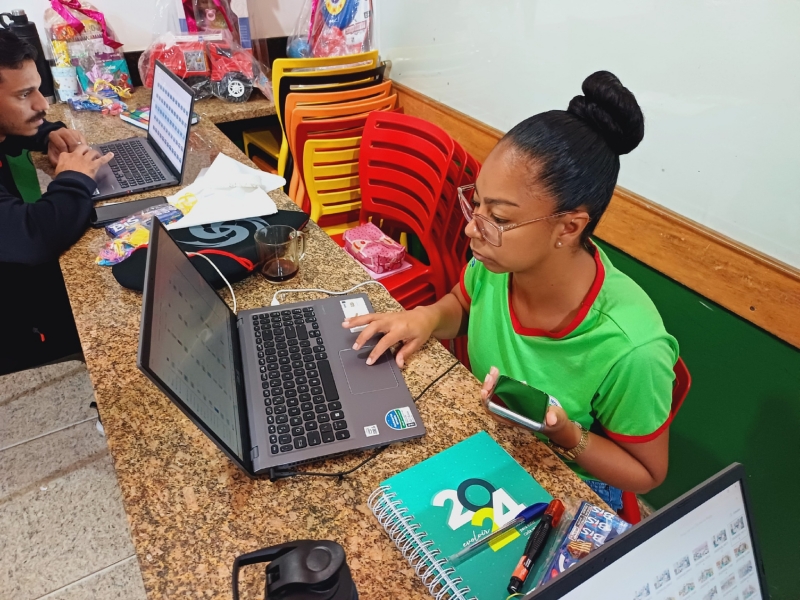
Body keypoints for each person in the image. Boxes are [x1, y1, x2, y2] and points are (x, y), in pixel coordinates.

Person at [342, 71, 679, 511]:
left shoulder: (632, 348)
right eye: (477, 203)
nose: (472, 228)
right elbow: (463, 304)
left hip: (568, 483)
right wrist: (424, 317)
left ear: (569, 227)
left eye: (499, 218)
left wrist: (565, 435)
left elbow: (647, 474)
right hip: (495, 447)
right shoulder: (498, 265)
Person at [0, 29, 113, 374]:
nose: (42, 104)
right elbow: (33, 237)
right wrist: (74, 178)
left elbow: (13, 131)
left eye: (37, 88)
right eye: (25, 94)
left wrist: (49, 134)